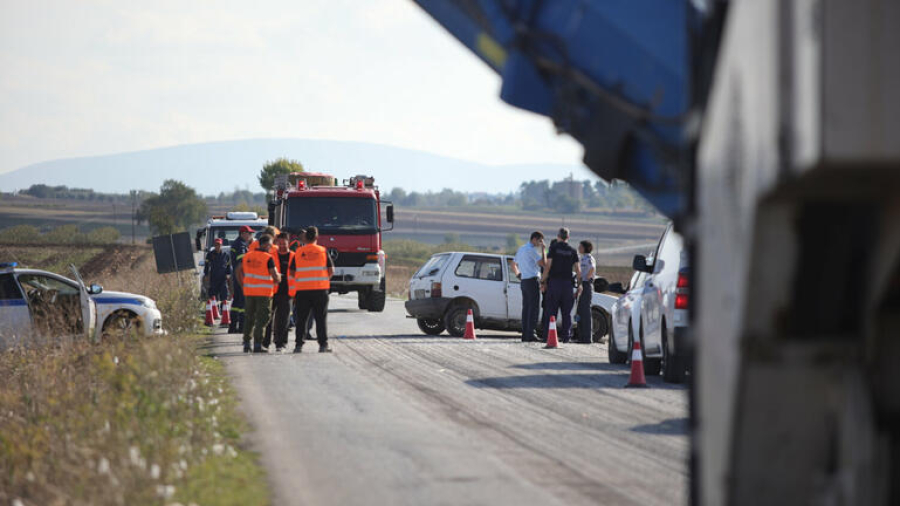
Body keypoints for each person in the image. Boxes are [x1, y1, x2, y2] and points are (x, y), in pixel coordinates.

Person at [290, 226, 335, 353]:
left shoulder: (298, 252)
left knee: (301, 319)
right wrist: (323, 279)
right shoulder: (322, 251)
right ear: (316, 237)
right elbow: (331, 270)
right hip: (320, 290)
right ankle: (323, 345)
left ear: (305, 237)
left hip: (302, 290)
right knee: (321, 318)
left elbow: (292, 272)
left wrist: (302, 278)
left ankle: (298, 345)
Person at [236, 234, 281, 353]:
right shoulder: (268, 258)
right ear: (266, 245)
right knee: (262, 319)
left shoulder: (247, 256)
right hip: (264, 293)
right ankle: (257, 344)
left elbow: (238, 270)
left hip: (249, 292)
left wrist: (242, 284)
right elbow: (275, 276)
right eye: (270, 245)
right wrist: (278, 279)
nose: (271, 247)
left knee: (249, 318)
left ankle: (246, 343)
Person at [541, 228, 581, 343]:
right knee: (566, 313)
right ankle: (566, 337)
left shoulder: (553, 248)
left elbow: (548, 266)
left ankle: (548, 336)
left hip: (554, 283)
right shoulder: (573, 251)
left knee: (551, 311)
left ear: (558, 236)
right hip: (567, 285)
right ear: (568, 237)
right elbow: (578, 270)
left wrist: (543, 281)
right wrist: (580, 285)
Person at [511, 231, 546, 342]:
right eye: (540, 241)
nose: (540, 243)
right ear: (534, 239)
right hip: (532, 280)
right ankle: (531, 334)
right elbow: (543, 263)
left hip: (524, 281)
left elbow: (513, 264)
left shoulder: (521, 248)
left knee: (526, 308)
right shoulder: (532, 250)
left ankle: (525, 334)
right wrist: (544, 250)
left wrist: (518, 274)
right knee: (533, 308)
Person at [266, 233, 295, 351]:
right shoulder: (270, 256)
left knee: (284, 319)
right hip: (272, 292)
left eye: (284, 243)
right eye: (280, 243)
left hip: (288, 292)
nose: (282, 246)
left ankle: (281, 343)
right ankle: (265, 342)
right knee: (268, 318)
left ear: (289, 243)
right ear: (276, 243)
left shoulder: (294, 256)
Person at [228, 225, 253, 334]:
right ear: (243, 233)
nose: (250, 236)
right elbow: (242, 263)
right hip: (242, 277)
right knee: (242, 303)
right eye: (249, 233)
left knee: (236, 303)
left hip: (237, 276)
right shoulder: (241, 245)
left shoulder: (237, 244)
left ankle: (233, 327)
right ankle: (242, 327)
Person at [576, 240, 596, 344]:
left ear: (585, 248)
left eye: (580, 246)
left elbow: (592, 268)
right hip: (582, 285)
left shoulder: (588, 257)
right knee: (580, 311)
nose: (578, 248)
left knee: (585, 312)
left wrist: (586, 279)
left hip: (586, 285)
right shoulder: (581, 258)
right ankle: (581, 336)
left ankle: (587, 337)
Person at [204, 238, 232, 309]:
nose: (217, 246)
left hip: (223, 278)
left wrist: (228, 274)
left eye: (219, 245)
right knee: (213, 295)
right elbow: (206, 265)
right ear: (214, 245)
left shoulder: (226, 255)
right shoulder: (210, 254)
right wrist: (206, 274)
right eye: (216, 244)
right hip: (214, 278)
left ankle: (223, 309)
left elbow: (228, 266)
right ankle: (215, 309)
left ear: (221, 245)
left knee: (224, 294)